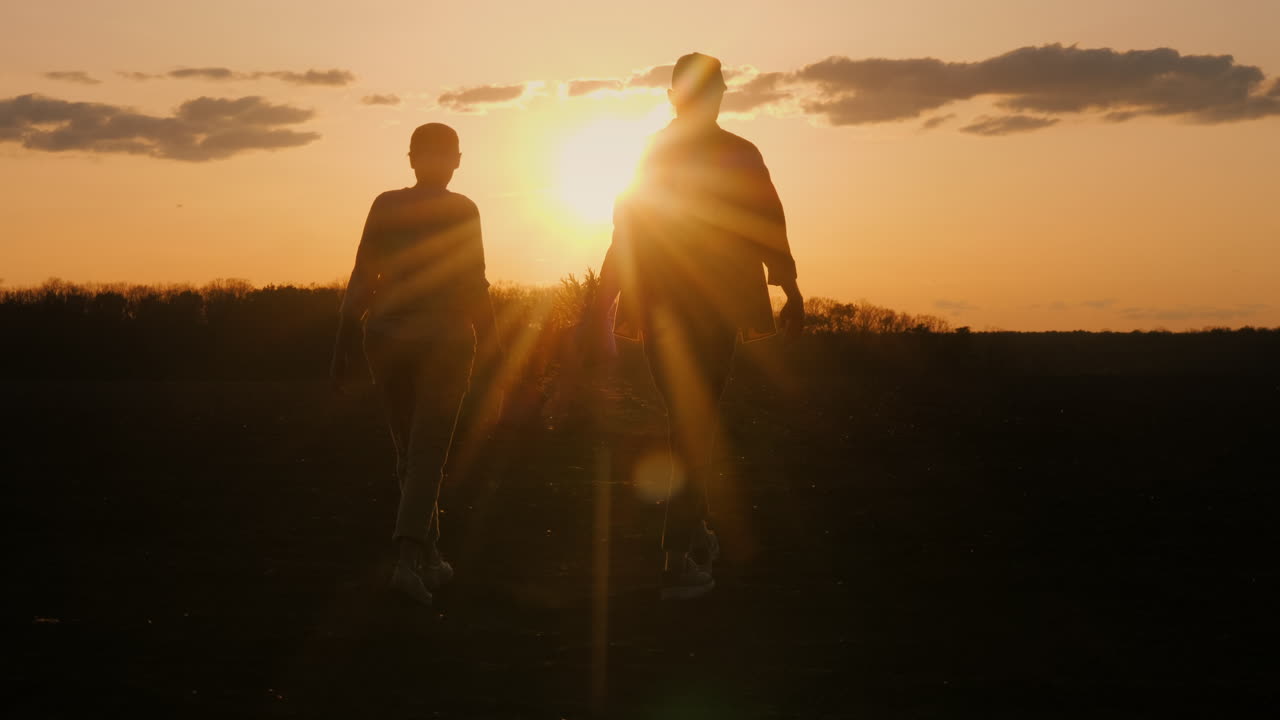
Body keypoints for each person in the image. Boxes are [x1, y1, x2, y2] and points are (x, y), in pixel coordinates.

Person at [586, 52, 804, 600]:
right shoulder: (736, 152)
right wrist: (789, 285)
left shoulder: (661, 152)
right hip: (705, 308)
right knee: (693, 422)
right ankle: (678, 552)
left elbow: (627, 227)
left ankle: (692, 536)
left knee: (689, 420)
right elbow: (765, 222)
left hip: (668, 307)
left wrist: (603, 304)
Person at [330, 122, 502, 606]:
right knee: (427, 452)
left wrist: (343, 338)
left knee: (409, 452)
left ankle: (431, 557)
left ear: (410, 159)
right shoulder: (463, 210)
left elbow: (364, 271)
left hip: (384, 336)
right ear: (457, 160)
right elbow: (475, 284)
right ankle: (407, 563)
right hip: (444, 339)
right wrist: (498, 355)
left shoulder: (386, 205)